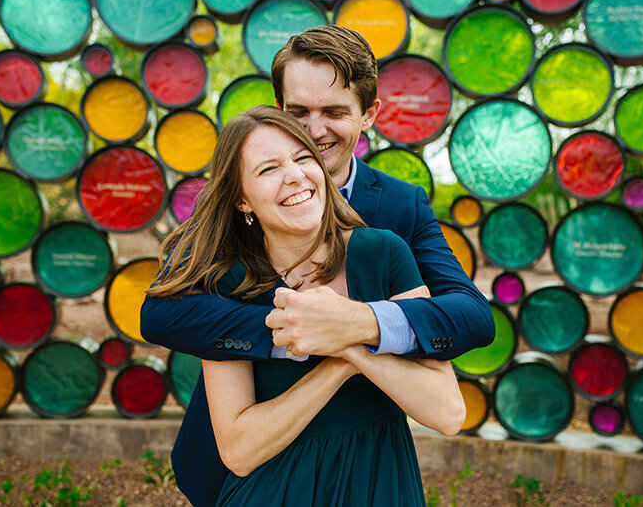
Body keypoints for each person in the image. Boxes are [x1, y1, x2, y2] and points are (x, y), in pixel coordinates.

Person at [140, 25, 495, 505]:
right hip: (254, 468)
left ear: (368, 114)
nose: (313, 129)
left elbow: (471, 316)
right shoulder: (229, 217)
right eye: (298, 112)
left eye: (333, 112)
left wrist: (359, 323)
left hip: (372, 467)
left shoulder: (396, 213)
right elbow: (161, 313)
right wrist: (296, 334)